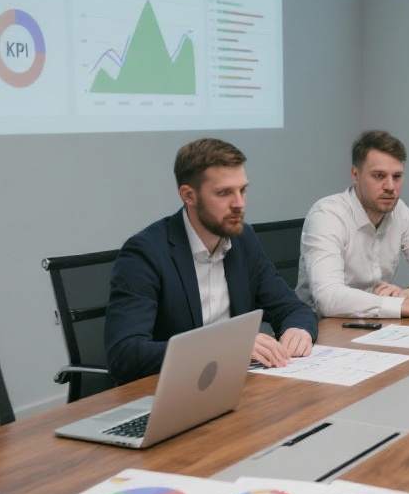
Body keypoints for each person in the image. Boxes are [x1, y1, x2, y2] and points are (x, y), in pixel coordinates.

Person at [105, 138, 317, 383]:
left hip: (234, 383)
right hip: (173, 391)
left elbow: (292, 307)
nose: (239, 204)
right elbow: (125, 354)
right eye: (224, 193)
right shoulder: (146, 252)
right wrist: (227, 349)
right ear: (188, 195)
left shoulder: (243, 239)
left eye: (242, 190)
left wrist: (298, 330)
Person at [296, 130, 409, 318]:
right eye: (379, 176)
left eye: (397, 176)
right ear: (355, 174)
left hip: (375, 324)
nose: (390, 186)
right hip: (321, 329)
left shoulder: (399, 211)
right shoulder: (327, 215)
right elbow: (328, 299)